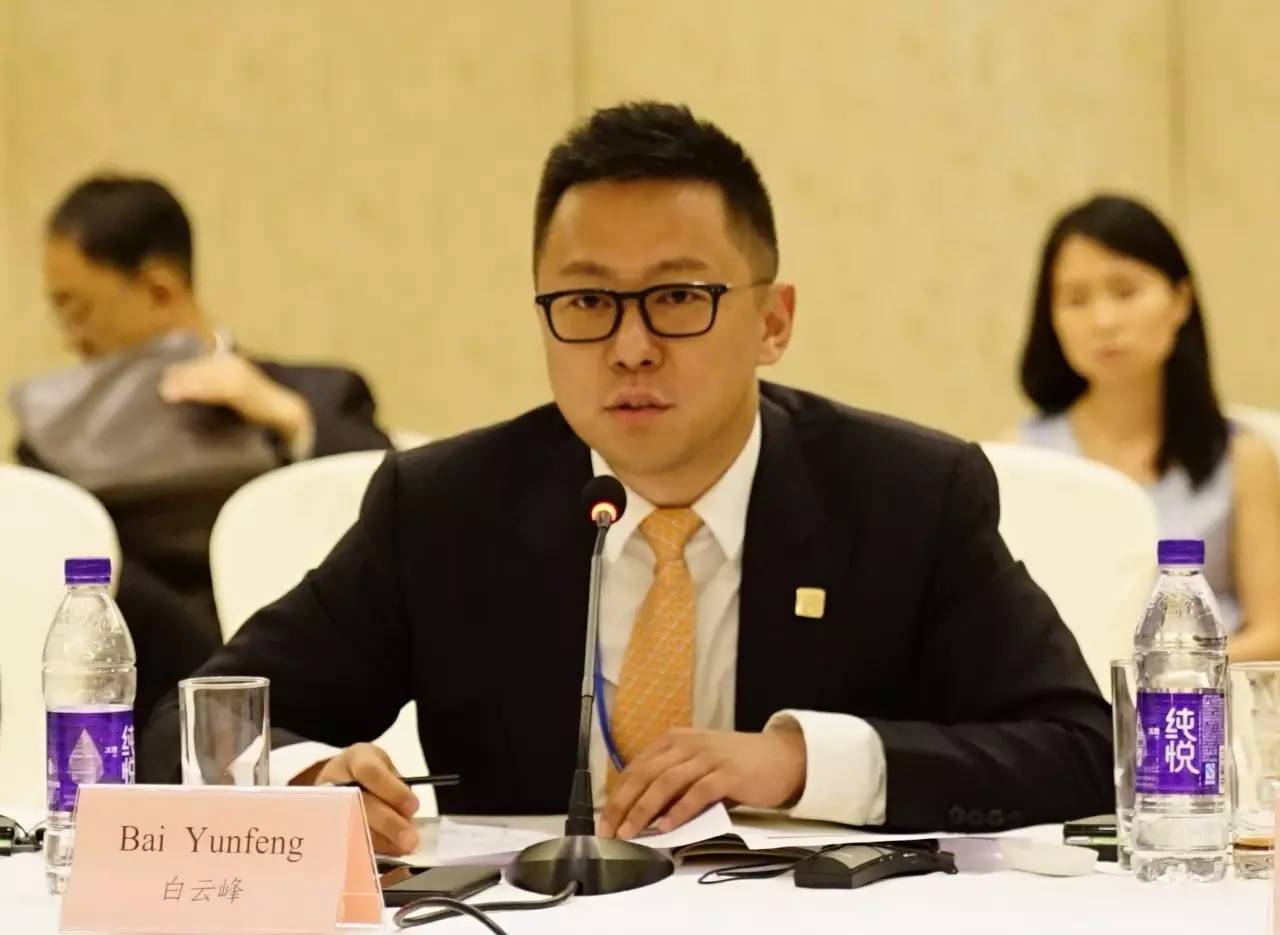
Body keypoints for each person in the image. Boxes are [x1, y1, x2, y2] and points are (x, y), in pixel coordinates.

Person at [142, 102, 1110, 855]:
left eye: (678, 297)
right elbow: (191, 722)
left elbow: (1081, 750)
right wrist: (309, 783)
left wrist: (798, 760)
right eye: (586, 301)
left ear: (773, 320)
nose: (630, 345)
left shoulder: (906, 495)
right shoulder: (444, 507)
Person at [12, 174, 391, 730]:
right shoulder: (55, 440)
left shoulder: (321, 394)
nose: (72, 337)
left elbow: (386, 508)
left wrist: (284, 414)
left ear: (159, 291)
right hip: (144, 711)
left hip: (308, 696)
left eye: (79, 309)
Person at [1017, 194, 1280, 661]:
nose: (1103, 321)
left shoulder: (1243, 457)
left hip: (1201, 698)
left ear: (1180, 300)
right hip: (1071, 699)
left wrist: (1163, 672)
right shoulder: (1022, 459)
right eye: (1076, 299)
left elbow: (1273, 632)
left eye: (1125, 292)